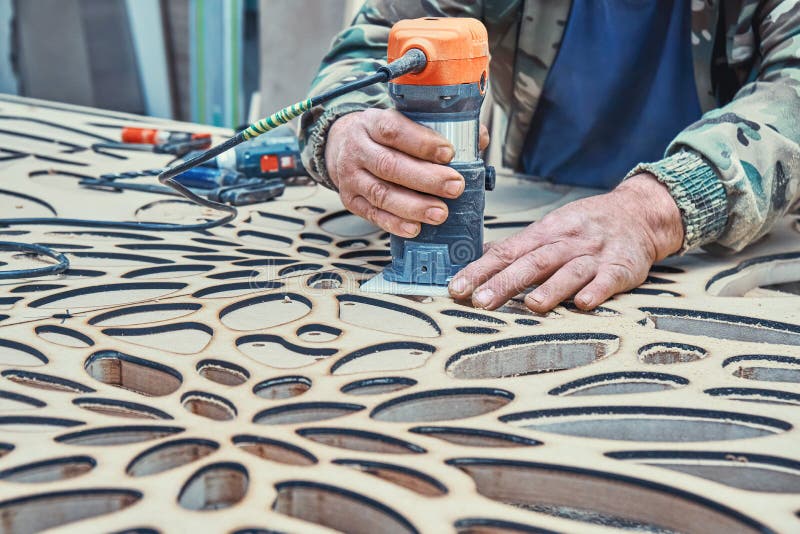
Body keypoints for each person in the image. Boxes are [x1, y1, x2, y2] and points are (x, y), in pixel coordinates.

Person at [298, 0, 800, 313]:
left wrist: (654, 212)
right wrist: (343, 131)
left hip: (731, 255)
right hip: (527, 223)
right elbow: (368, 47)